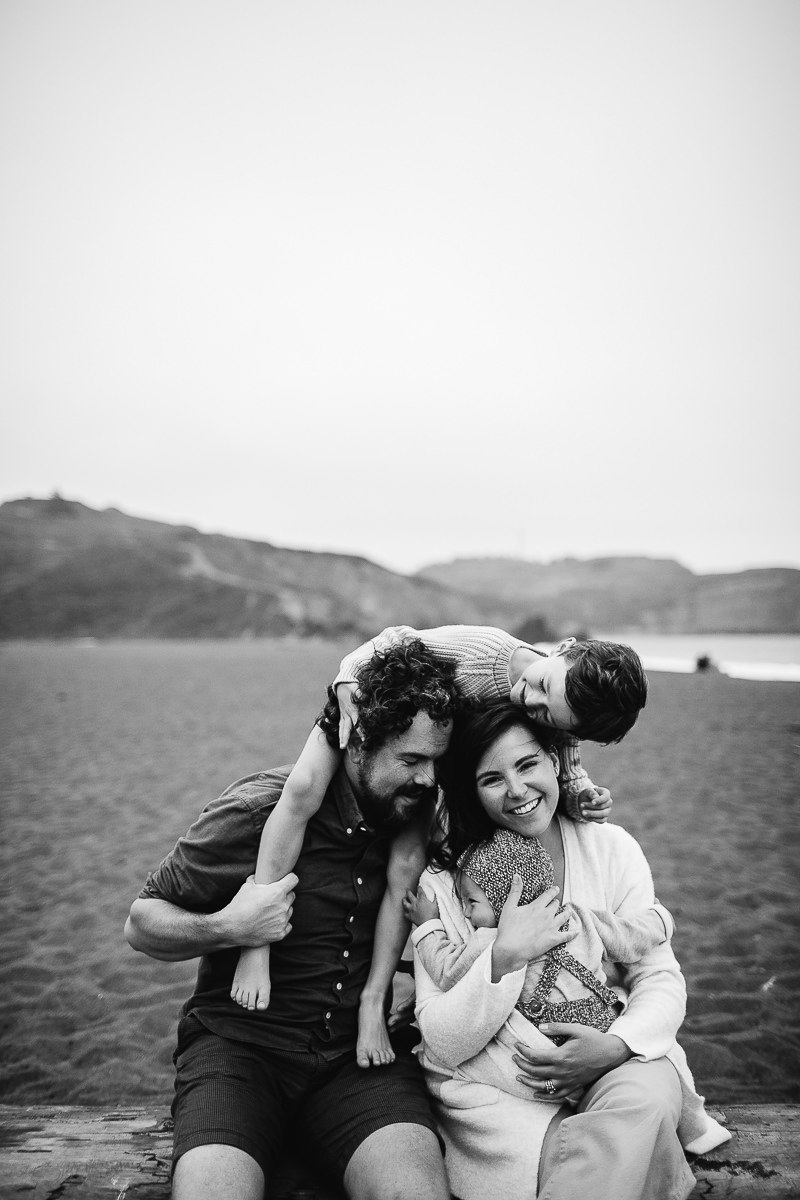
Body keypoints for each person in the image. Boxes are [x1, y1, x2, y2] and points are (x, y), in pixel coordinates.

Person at [124, 639, 460, 1200]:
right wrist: (230, 927)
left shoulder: (413, 818)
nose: (427, 779)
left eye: (436, 762)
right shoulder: (259, 810)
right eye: (410, 761)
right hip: (240, 1053)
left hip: (359, 1060)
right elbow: (141, 924)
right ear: (357, 741)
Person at [231, 624, 646, 1069]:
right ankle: (256, 947)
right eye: (543, 686)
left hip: (437, 747)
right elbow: (395, 638)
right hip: (369, 703)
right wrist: (347, 681)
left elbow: (563, 759)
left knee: (409, 862)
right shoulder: (490, 651)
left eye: (547, 713)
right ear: (563, 648)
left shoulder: (561, 711)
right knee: (302, 789)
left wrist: (580, 793)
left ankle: (374, 999)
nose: (532, 702)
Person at [411, 701, 730, 1200]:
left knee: (642, 1102)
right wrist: (504, 957)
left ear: (555, 760)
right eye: (491, 779)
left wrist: (616, 1046)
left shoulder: (611, 849)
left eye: (527, 764)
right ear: (471, 790)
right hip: (500, 1089)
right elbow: (442, 1040)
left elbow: (658, 977)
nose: (517, 790)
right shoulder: (449, 883)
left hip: (617, 1058)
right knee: (615, 1150)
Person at [407, 825, 675, 1062]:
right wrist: (661, 921)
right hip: (603, 1024)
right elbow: (628, 937)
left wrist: (428, 926)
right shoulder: (577, 918)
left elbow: (447, 971)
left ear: (505, 898)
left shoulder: (489, 941)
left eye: (471, 902)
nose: (465, 912)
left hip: (543, 1041)